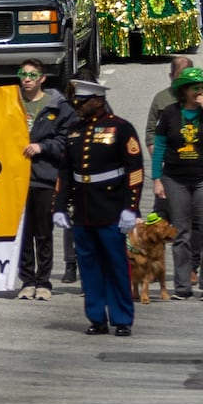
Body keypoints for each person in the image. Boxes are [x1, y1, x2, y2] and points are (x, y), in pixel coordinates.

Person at [52, 79, 143, 336]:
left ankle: (122, 318)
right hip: (83, 209)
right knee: (89, 267)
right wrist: (59, 207)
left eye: (82, 102)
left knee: (116, 265)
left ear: (98, 101)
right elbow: (66, 172)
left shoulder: (121, 128)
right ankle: (96, 317)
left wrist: (131, 208)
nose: (78, 107)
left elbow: (134, 170)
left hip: (112, 208)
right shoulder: (73, 131)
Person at [150, 65, 203, 301]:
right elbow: (160, 146)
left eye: (202, 87)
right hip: (175, 178)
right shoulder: (171, 113)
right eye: (195, 87)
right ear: (183, 90)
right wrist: (156, 179)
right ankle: (182, 286)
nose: (200, 90)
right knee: (180, 232)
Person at [15, 61, 75, 300]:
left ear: (42, 79)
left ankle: (44, 282)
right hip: (17, 178)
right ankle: (27, 280)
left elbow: (66, 140)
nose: (27, 78)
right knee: (23, 233)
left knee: (43, 232)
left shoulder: (58, 107)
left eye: (32, 75)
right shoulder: (11, 102)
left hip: (44, 177)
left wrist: (43, 147)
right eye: (23, 74)